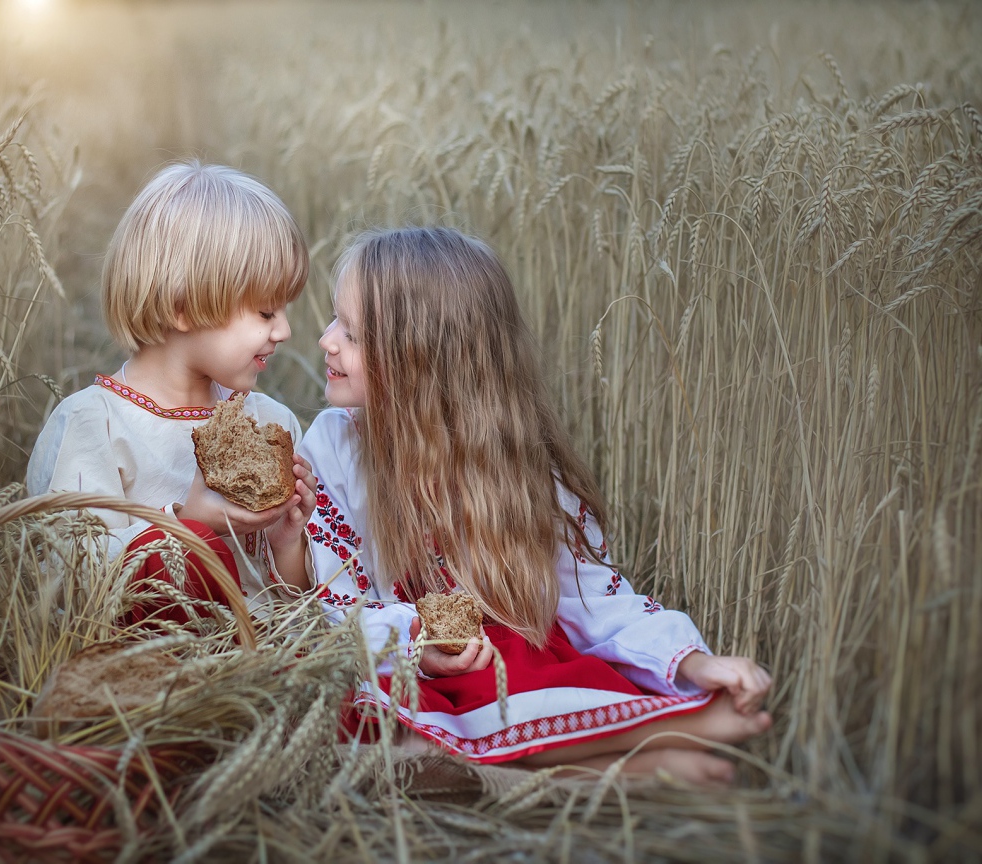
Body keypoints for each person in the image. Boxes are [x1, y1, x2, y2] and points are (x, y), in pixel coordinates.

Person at [290, 226, 772, 786]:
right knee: (349, 729)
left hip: (501, 674)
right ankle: (641, 762)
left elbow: (595, 599)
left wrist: (693, 662)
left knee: (502, 668)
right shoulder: (335, 446)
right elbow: (335, 602)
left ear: (420, 359)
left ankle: (651, 734)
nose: (326, 340)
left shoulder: (519, 469)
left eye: (351, 333)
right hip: (400, 668)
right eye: (336, 321)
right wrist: (418, 643)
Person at [26, 161, 315, 628]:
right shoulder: (93, 425)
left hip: (262, 657)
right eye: (265, 312)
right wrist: (186, 523)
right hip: (146, 663)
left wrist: (286, 543)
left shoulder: (270, 423)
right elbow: (71, 585)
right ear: (183, 307)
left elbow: (299, 607)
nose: (284, 330)